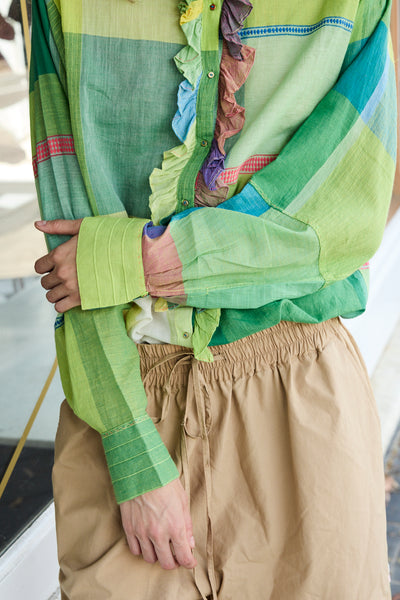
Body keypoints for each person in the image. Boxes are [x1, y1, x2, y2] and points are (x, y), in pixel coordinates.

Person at [30, 0, 395, 598]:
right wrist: (131, 450)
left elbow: (345, 219)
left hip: (300, 402)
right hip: (122, 396)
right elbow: (68, 233)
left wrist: (139, 259)